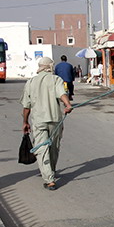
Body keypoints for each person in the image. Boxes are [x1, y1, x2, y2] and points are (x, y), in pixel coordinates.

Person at [20, 57, 73, 190]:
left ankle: (49, 178)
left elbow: (26, 107)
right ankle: (51, 172)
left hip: (39, 121)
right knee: (54, 147)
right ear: (50, 66)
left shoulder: (31, 82)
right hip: (55, 119)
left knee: (41, 149)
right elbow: (62, 93)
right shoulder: (56, 80)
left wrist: (25, 122)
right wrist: (67, 105)